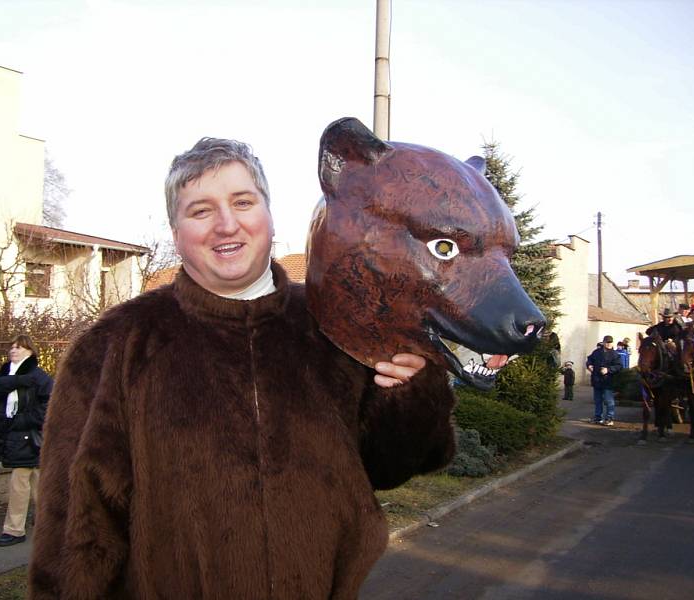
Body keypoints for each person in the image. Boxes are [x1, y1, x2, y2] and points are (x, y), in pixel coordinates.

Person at [29, 138, 455, 599]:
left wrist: (414, 390)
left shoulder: (338, 326)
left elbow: (389, 467)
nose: (226, 224)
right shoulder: (116, 345)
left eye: (242, 202)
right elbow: (75, 526)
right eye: (201, 211)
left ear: (269, 217)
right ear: (176, 234)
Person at [0, 334, 53, 547]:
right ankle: (48, 524)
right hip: (13, 436)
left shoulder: (40, 377)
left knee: (22, 482)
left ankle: (14, 530)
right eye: (12, 347)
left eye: (19, 348)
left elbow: (50, 406)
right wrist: (17, 380)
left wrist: (20, 420)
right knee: (36, 482)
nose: (13, 351)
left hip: (30, 437)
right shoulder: (6, 374)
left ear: (31, 352)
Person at [586, 335, 622, 426]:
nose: (609, 344)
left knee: (609, 400)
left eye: (610, 342)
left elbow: (619, 366)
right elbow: (589, 359)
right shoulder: (597, 352)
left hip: (608, 381)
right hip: (597, 380)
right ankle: (598, 417)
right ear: (603, 342)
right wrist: (589, 365)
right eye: (607, 342)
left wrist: (608, 370)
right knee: (597, 400)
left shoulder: (615, 354)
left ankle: (609, 418)